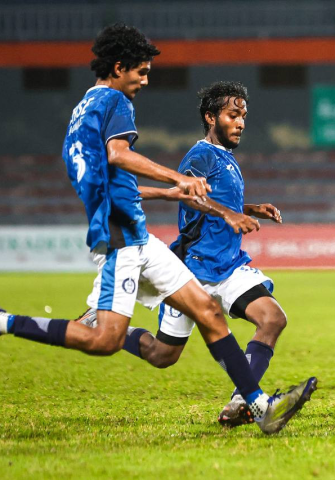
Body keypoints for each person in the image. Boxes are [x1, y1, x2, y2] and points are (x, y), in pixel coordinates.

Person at [0, 24, 312, 434]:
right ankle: (6, 321)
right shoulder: (114, 100)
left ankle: (258, 406)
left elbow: (107, 177)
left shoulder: (84, 111)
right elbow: (118, 155)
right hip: (120, 237)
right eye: (141, 71)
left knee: (207, 313)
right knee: (106, 341)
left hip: (135, 231)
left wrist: (168, 194)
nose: (145, 81)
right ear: (119, 67)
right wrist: (177, 180)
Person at [79, 81, 296, 428]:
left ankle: (242, 401)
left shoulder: (226, 158)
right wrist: (229, 214)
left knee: (272, 318)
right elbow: (191, 196)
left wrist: (250, 208)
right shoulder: (200, 155)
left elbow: (216, 200)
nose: (241, 122)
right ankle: (103, 323)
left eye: (243, 116)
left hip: (227, 267)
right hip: (192, 269)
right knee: (162, 355)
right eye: (233, 115)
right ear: (211, 117)